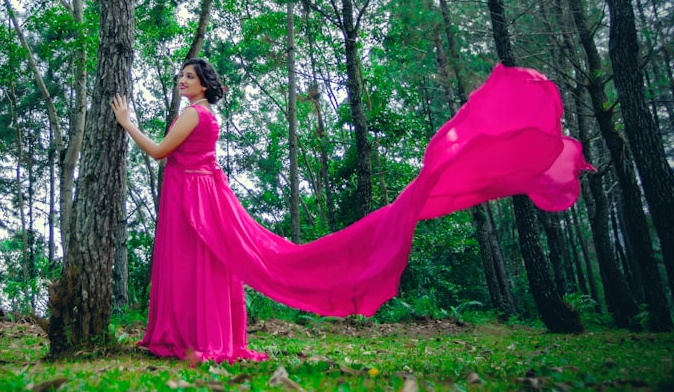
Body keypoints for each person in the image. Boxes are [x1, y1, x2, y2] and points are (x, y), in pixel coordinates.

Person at [112, 58, 590, 364]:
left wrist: (128, 123)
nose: (182, 79)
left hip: (193, 196)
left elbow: (158, 152)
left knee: (201, 264)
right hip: (199, 193)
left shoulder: (195, 113)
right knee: (209, 266)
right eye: (181, 75)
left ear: (204, 85)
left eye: (189, 76)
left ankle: (191, 339)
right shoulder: (204, 115)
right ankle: (192, 336)